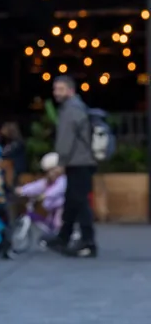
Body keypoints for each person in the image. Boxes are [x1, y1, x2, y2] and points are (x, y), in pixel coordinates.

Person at [46, 76, 98, 257]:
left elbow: (65, 141)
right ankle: (63, 237)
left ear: (70, 90)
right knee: (72, 201)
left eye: (60, 89)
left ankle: (88, 242)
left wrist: (60, 163)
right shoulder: (77, 107)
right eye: (55, 89)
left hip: (79, 162)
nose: (56, 93)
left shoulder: (70, 110)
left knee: (80, 202)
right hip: (81, 161)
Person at [16, 152, 67, 240]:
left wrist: (45, 195)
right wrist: (23, 190)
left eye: (54, 169)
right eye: (49, 171)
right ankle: (52, 237)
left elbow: (58, 190)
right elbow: (36, 186)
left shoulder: (62, 180)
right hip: (51, 206)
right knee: (48, 222)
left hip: (61, 205)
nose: (52, 173)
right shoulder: (47, 181)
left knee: (57, 223)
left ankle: (63, 237)